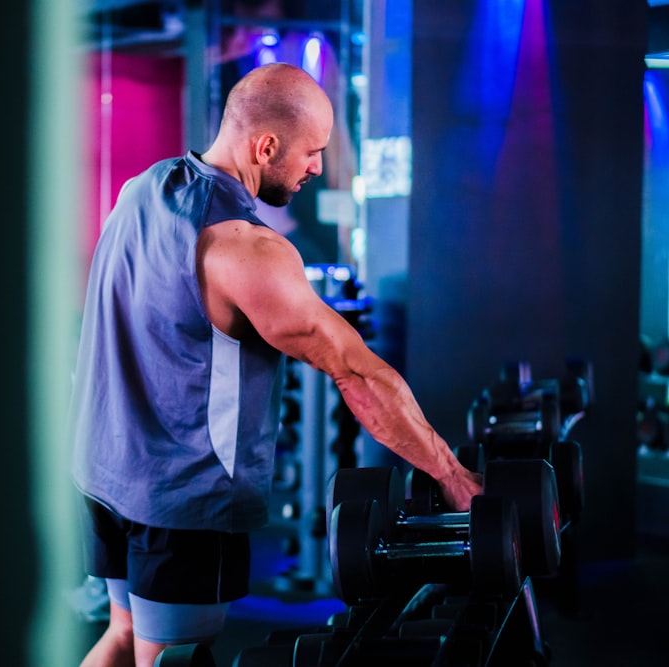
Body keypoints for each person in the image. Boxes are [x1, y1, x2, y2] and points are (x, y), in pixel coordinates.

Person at [69, 62, 482, 667]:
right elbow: (357, 373)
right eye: (312, 152)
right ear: (265, 146)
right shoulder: (247, 250)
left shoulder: (142, 189)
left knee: (123, 637)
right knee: (170, 658)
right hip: (175, 500)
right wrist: (451, 475)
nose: (318, 166)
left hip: (102, 473)